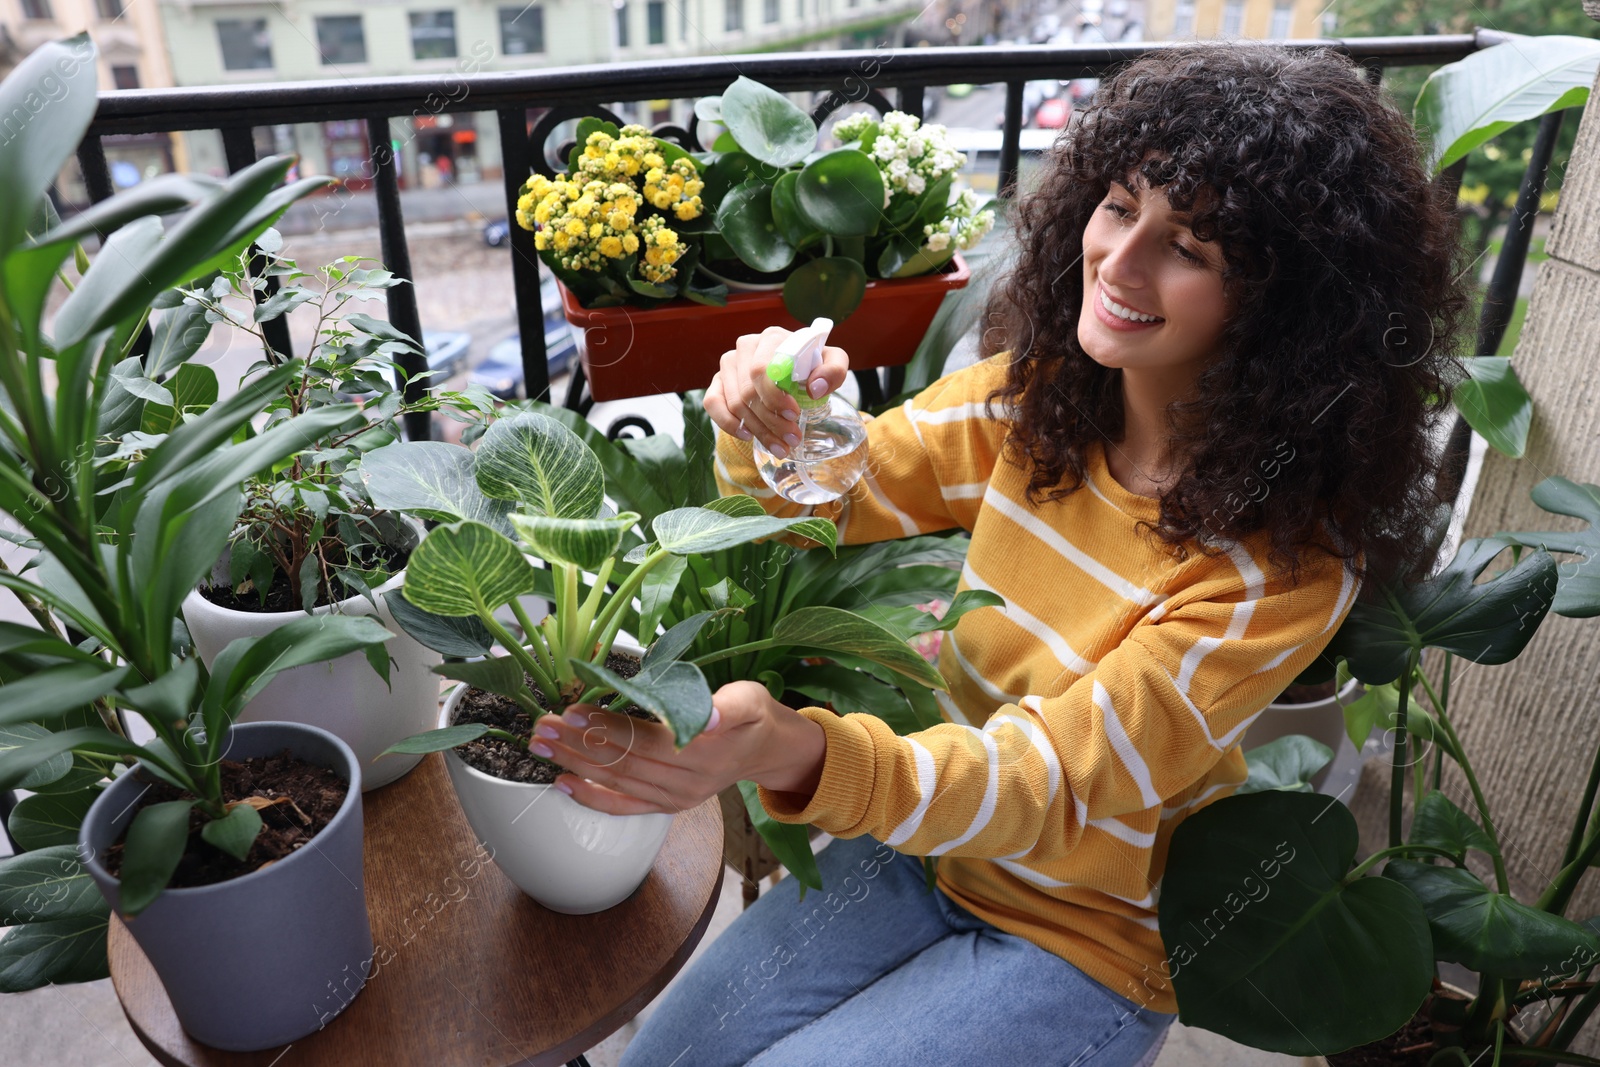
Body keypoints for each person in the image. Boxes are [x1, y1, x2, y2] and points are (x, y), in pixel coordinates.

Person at [529, 44, 1469, 1066]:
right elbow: (830, 501)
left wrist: (795, 749)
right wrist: (770, 414)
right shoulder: (1033, 405)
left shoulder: (1280, 567)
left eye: (1189, 248)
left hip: (1083, 939)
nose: (1118, 261)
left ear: (1290, 313)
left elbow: (1054, 780)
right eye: (1119, 204)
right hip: (925, 854)